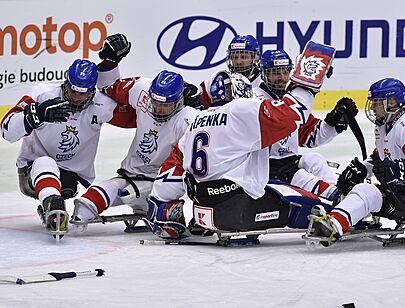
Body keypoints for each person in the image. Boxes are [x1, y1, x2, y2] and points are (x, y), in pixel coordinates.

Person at [146, 44, 340, 239]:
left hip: (204, 208)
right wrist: (307, 84)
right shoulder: (239, 111)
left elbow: (174, 165)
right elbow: (288, 117)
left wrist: (159, 201)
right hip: (239, 209)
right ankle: (344, 212)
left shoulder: (197, 120)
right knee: (316, 207)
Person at [72, 34, 199, 225]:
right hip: (129, 175)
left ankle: (166, 209)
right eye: (155, 102)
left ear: (179, 101)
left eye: (166, 105)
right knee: (85, 205)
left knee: (165, 218)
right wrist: (110, 61)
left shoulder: (188, 118)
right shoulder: (142, 91)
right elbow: (108, 88)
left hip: (161, 184)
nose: (158, 108)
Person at [0, 57, 135, 237]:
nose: (77, 97)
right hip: (31, 172)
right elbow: (6, 129)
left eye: (83, 93)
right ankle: (51, 201)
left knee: (64, 182)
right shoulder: (43, 94)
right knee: (45, 162)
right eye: (73, 90)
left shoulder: (102, 105)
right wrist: (35, 115)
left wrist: (110, 65)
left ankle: (53, 200)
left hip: (69, 177)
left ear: (92, 91)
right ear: (66, 82)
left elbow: (140, 117)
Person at [311, 78, 405, 246]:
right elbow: (381, 157)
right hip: (404, 192)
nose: (373, 107)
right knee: (354, 186)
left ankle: (333, 225)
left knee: (366, 191)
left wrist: (401, 172)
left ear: (392, 101)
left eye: (377, 102)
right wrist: (363, 168)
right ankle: (341, 215)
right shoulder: (383, 125)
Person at [254, 49, 358, 200]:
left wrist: (334, 122)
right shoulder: (255, 98)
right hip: (263, 168)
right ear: (264, 74)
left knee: (313, 159)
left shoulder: (290, 100)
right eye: (275, 73)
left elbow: (310, 137)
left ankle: (340, 190)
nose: (282, 78)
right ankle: (336, 197)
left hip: (287, 163)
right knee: (301, 177)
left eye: (285, 72)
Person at [199, 34, 261, 109]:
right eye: (234, 57)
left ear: (256, 58)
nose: (238, 62)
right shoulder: (212, 83)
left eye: (244, 57)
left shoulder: (265, 84)